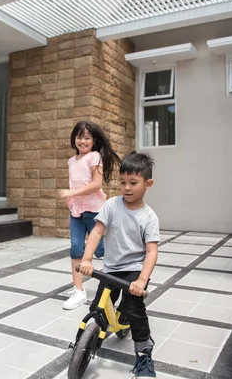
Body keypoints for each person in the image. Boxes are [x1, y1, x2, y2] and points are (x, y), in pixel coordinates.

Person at [79, 151, 159, 378]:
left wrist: (142, 279)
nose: (127, 187)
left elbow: (152, 251)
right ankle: (84, 344)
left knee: (135, 308)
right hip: (112, 268)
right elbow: (96, 232)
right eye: (122, 182)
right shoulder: (112, 205)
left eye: (133, 183)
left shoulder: (149, 217)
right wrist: (86, 259)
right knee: (97, 309)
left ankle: (144, 355)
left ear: (148, 184)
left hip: (134, 270)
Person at [59, 120, 121, 310]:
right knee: (76, 248)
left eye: (87, 137)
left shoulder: (94, 157)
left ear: (94, 141)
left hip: (94, 211)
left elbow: (96, 184)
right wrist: (71, 199)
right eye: (79, 137)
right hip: (76, 211)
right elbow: (76, 183)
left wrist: (71, 194)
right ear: (74, 139)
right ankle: (79, 290)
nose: (83, 141)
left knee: (101, 250)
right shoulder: (71, 161)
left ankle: (120, 279)